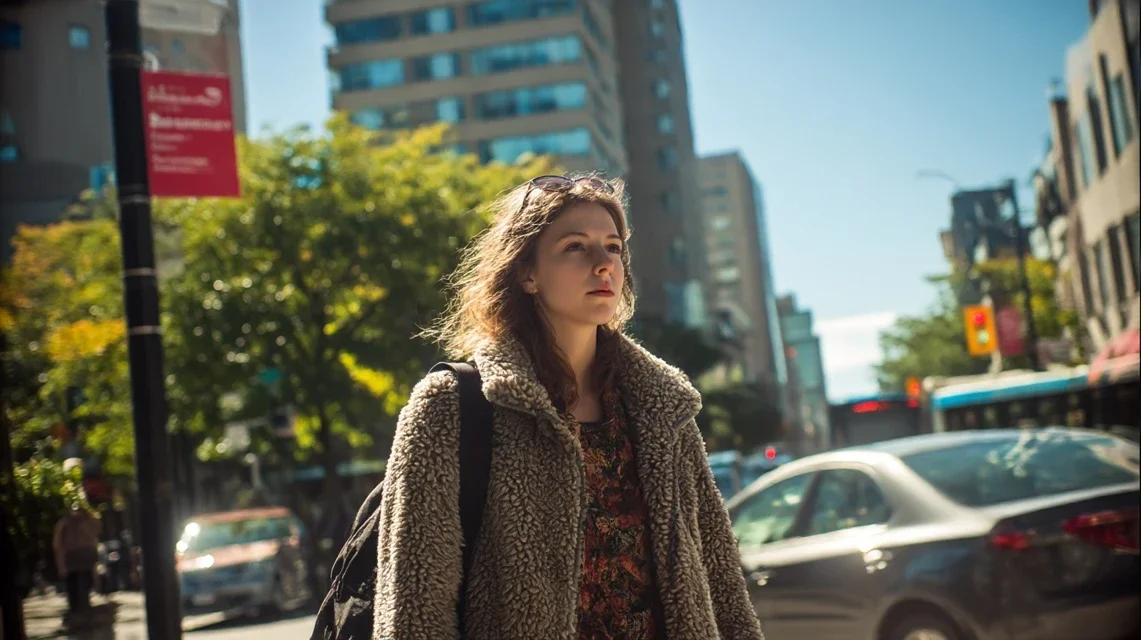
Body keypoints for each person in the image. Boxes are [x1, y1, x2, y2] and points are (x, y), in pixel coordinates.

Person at [375, 175, 764, 638]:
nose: (604, 265)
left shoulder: (664, 407)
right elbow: (415, 611)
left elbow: (721, 581)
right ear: (527, 273)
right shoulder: (452, 408)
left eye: (614, 247)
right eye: (576, 247)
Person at [52, 505, 101, 613]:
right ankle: (74, 606)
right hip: (71, 557)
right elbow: (58, 543)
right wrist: (61, 563)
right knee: (72, 583)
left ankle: (84, 603)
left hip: (85, 556)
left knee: (86, 581)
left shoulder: (87, 522)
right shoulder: (64, 524)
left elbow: (95, 533)